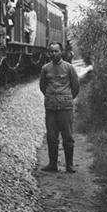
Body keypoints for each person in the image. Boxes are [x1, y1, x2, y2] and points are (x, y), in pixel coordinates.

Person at [40, 42, 80, 173]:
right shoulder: (45, 69)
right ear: (49, 53)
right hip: (51, 108)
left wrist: (66, 98)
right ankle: (52, 164)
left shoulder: (69, 68)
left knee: (67, 137)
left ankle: (69, 165)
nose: (54, 53)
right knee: (52, 137)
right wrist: (51, 97)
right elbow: (43, 86)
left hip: (65, 107)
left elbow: (75, 87)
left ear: (61, 52)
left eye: (56, 51)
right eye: (51, 51)